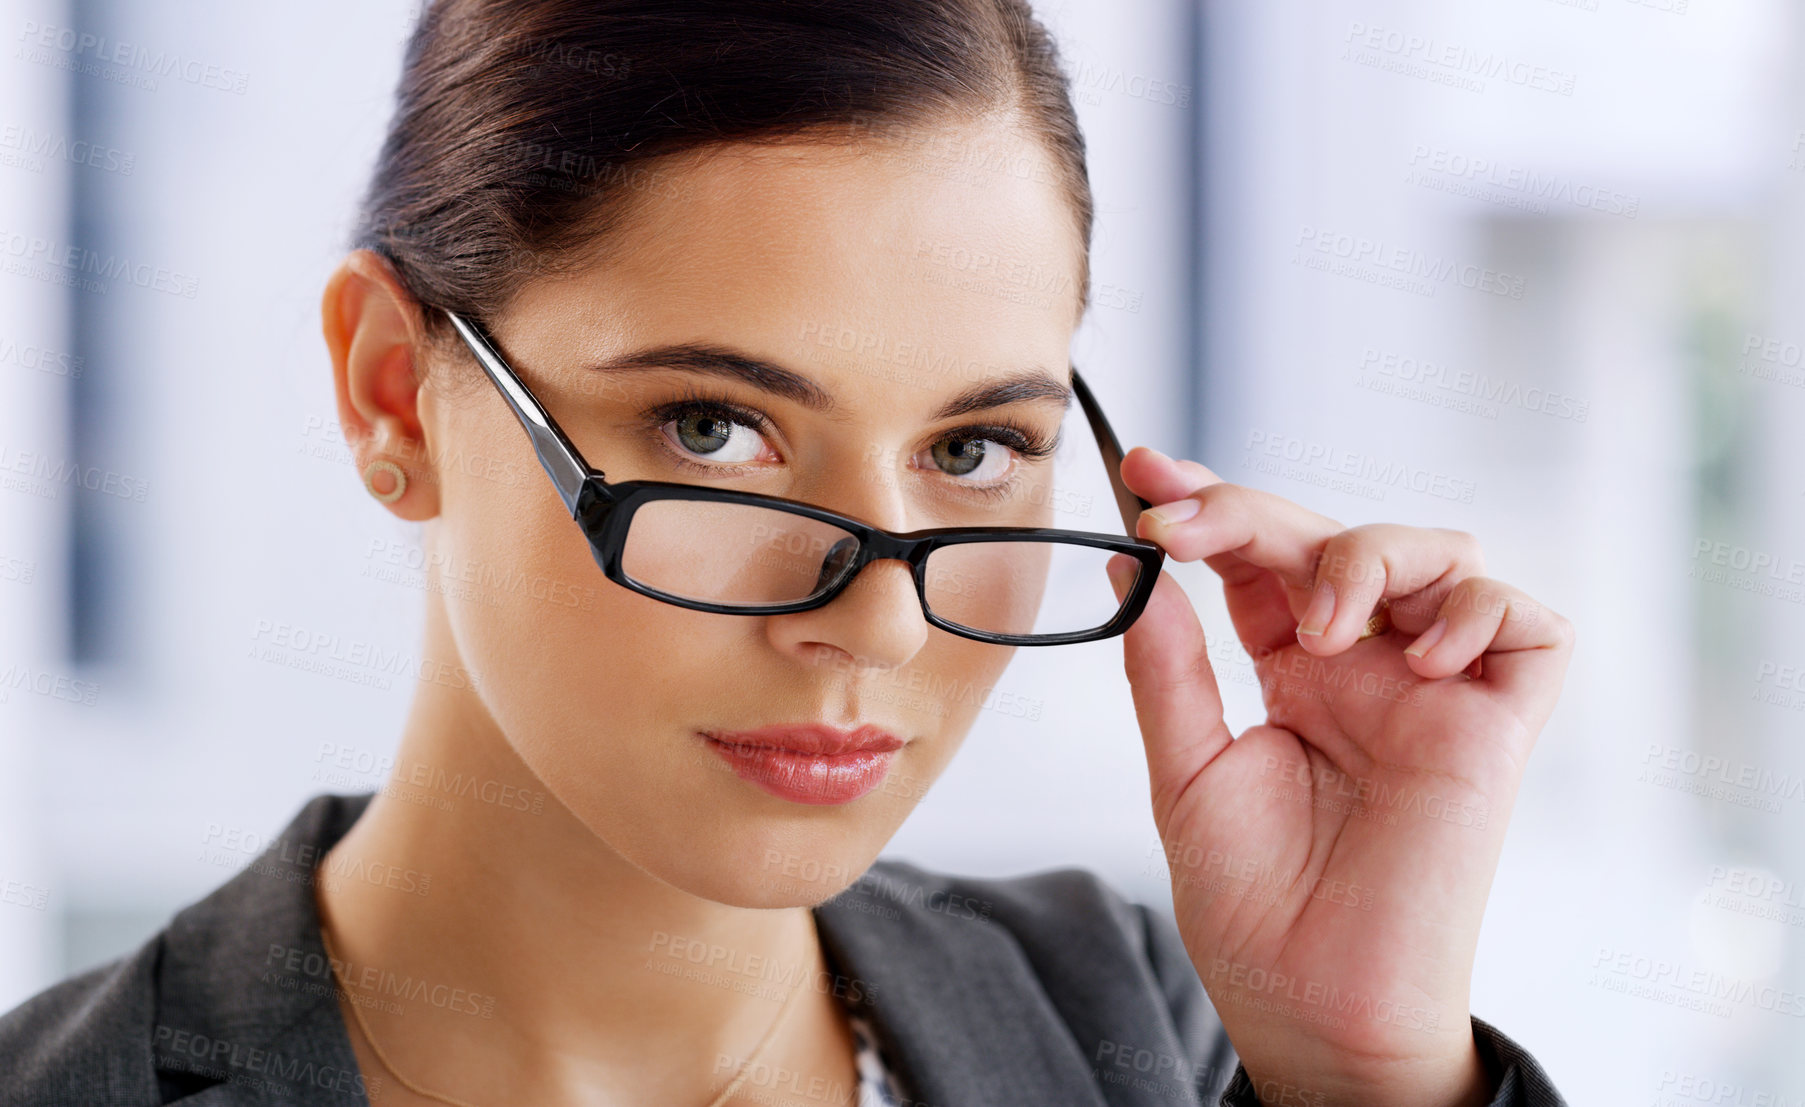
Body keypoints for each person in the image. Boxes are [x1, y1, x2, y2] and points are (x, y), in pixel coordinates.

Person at [0, 1, 1576, 1104]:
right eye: (712, 428)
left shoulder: (1144, 1030)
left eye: (972, 450)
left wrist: (1366, 1080)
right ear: (393, 391)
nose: (880, 629)